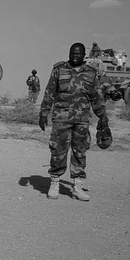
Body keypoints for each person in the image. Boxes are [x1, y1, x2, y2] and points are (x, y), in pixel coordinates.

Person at [39, 42, 109, 201]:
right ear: (69, 53)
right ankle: (55, 182)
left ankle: (78, 186)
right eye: (72, 53)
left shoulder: (91, 73)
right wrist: (43, 113)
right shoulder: (59, 69)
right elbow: (49, 92)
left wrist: (103, 117)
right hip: (61, 118)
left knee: (80, 151)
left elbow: (97, 97)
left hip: (82, 119)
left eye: (78, 54)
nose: (75, 56)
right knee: (58, 150)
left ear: (84, 55)